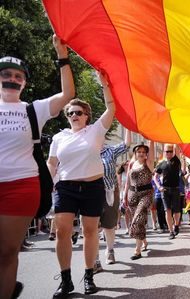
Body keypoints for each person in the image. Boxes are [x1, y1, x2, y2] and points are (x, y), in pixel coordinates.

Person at [0, 35, 75, 299]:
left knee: (8, 251)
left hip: (21, 186)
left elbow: (68, 94)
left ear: (24, 83)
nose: (12, 79)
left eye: (18, 76)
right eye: (6, 74)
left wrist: (61, 54)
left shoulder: (34, 109)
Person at [47, 72, 115, 297]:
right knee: (63, 231)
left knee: (89, 231)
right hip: (65, 187)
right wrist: (47, 185)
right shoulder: (59, 137)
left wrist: (105, 85)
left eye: (78, 112)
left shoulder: (95, 131)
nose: (74, 115)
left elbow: (111, 109)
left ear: (86, 115)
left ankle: (88, 275)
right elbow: (52, 163)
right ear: (67, 117)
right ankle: (66, 280)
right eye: (70, 113)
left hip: (92, 188)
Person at [96, 129, 131, 268]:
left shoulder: (110, 150)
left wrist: (128, 126)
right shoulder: (85, 152)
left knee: (109, 225)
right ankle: (94, 259)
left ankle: (110, 251)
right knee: (91, 228)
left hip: (109, 192)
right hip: (89, 193)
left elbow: (127, 144)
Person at [123, 141, 154, 260]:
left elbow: (151, 150)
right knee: (139, 222)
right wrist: (125, 195)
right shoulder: (132, 163)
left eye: (143, 152)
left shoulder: (149, 163)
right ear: (135, 153)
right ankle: (144, 241)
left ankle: (137, 250)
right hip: (132, 195)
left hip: (146, 194)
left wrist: (151, 138)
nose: (141, 153)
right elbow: (127, 182)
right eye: (139, 151)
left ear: (146, 154)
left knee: (137, 219)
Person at [153, 144, 185, 240]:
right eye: (167, 151)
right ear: (164, 152)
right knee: (167, 210)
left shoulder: (176, 160)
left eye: (171, 151)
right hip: (165, 190)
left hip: (175, 189)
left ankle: (176, 226)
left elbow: (177, 147)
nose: (169, 153)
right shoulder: (161, 164)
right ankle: (171, 232)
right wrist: (159, 187)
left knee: (177, 211)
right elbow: (155, 177)